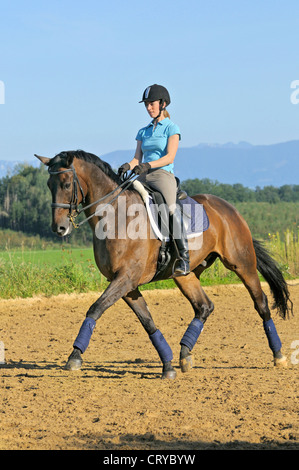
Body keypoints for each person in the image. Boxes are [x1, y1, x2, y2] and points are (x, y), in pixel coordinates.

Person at [118, 84, 190, 276]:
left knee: (171, 208)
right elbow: (137, 158)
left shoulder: (172, 128)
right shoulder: (143, 131)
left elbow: (169, 157)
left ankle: (184, 257)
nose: (149, 108)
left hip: (162, 175)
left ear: (163, 104)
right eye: (146, 105)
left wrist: (149, 166)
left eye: (152, 104)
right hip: (142, 174)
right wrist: (128, 165)